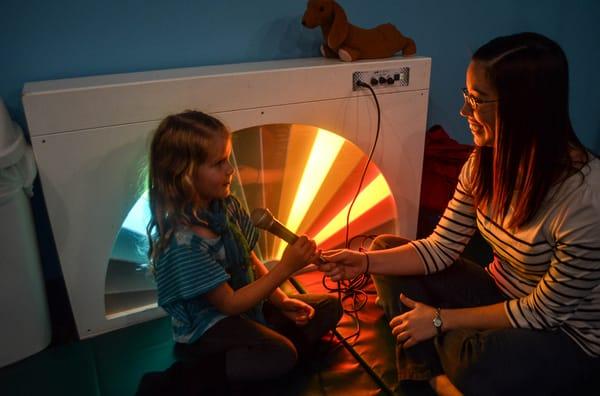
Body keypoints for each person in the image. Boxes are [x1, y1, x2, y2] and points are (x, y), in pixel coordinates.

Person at [319, 32, 600, 396]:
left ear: (525, 107)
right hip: (500, 293)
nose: (464, 112)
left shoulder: (586, 199)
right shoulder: (481, 163)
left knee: (475, 362)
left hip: (566, 334)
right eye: (466, 96)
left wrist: (438, 320)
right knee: (384, 248)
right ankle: (434, 378)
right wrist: (364, 263)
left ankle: (435, 374)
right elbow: (440, 249)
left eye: (477, 100)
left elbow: (542, 312)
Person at [142, 110, 342, 394]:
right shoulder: (184, 243)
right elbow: (229, 304)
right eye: (219, 163)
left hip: (249, 304)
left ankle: (265, 349)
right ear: (185, 174)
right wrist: (286, 267)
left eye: (227, 159)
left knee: (328, 308)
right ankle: (192, 376)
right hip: (210, 325)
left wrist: (283, 300)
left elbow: (248, 257)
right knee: (282, 354)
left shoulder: (225, 205)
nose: (230, 170)